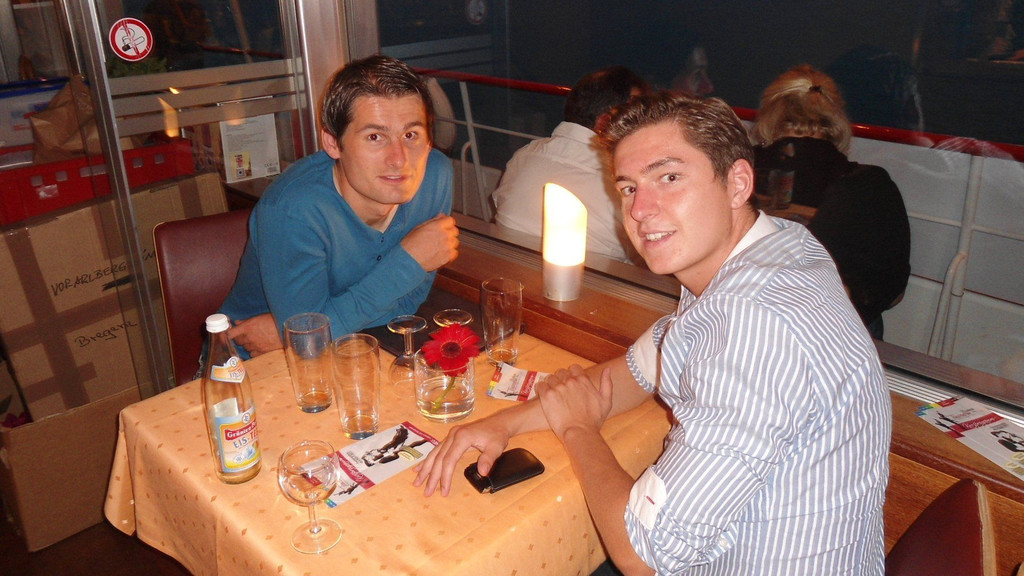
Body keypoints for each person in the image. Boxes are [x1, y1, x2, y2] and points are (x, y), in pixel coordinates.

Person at [416, 91, 892, 575]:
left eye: (669, 177)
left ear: (737, 183)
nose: (641, 209)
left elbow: (643, 555)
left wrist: (578, 429)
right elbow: (639, 368)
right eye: (628, 188)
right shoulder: (774, 250)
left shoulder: (753, 326)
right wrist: (506, 423)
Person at [219, 54, 459, 357]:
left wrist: (306, 331)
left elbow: (407, 306)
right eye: (375, 136)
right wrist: (410, 262)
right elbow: (307, 344)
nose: (399, 159)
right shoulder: (293, 210)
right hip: (251, 360)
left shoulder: (434, 176)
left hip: (358, 347)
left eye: (411, 135)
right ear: (333, 143)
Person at [751, 64, 911, 339]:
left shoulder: (736, 172)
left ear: (769, 114)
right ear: (836, 117)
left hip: (745, 325)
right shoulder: (870, 185)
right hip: (834, 337)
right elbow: (894, 293)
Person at [491, 66, 648, 263]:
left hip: (508, 265)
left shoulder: (524, 155)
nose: (642, 124)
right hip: (592, 278)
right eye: (634, 115)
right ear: (604, 122)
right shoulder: (620, 178)